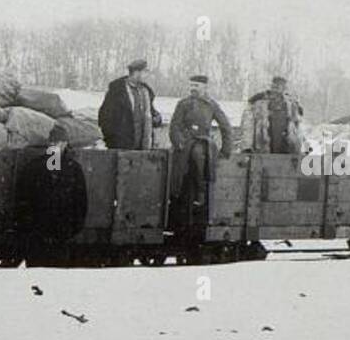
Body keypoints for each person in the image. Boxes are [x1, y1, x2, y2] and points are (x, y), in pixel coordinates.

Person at [169, 75, 234, 235]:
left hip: (202, 144)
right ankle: (175, 196)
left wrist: (226, 150)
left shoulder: (211, 105)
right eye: (191, 85)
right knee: (177, 173)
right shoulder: (183, 104)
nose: (193, 88)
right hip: (185, 145)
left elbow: (225, 126)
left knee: (200, 161)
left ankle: (201, 195)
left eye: (197, 85)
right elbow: (174, 126)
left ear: (205, 88)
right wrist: (179, 142)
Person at [98, 59, 163, 150]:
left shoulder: (145, 92)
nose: (147, 75)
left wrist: (157, 118)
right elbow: (104, 116)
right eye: (145, 72)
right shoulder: (117, 91)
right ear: (136, 72)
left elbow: (150, 113)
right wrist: (112, 139)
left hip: (142, 147)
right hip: (121, 146)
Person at [244, 75, 304, 154]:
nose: (276, 90)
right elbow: (248, 126)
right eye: (275, 86)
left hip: (286, 150)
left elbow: (298, 129)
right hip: (262, 149)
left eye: (280, 87)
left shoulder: (291, 105)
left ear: (284, 89)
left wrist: (301, 148)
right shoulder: (259, 103)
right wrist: (246, 147)